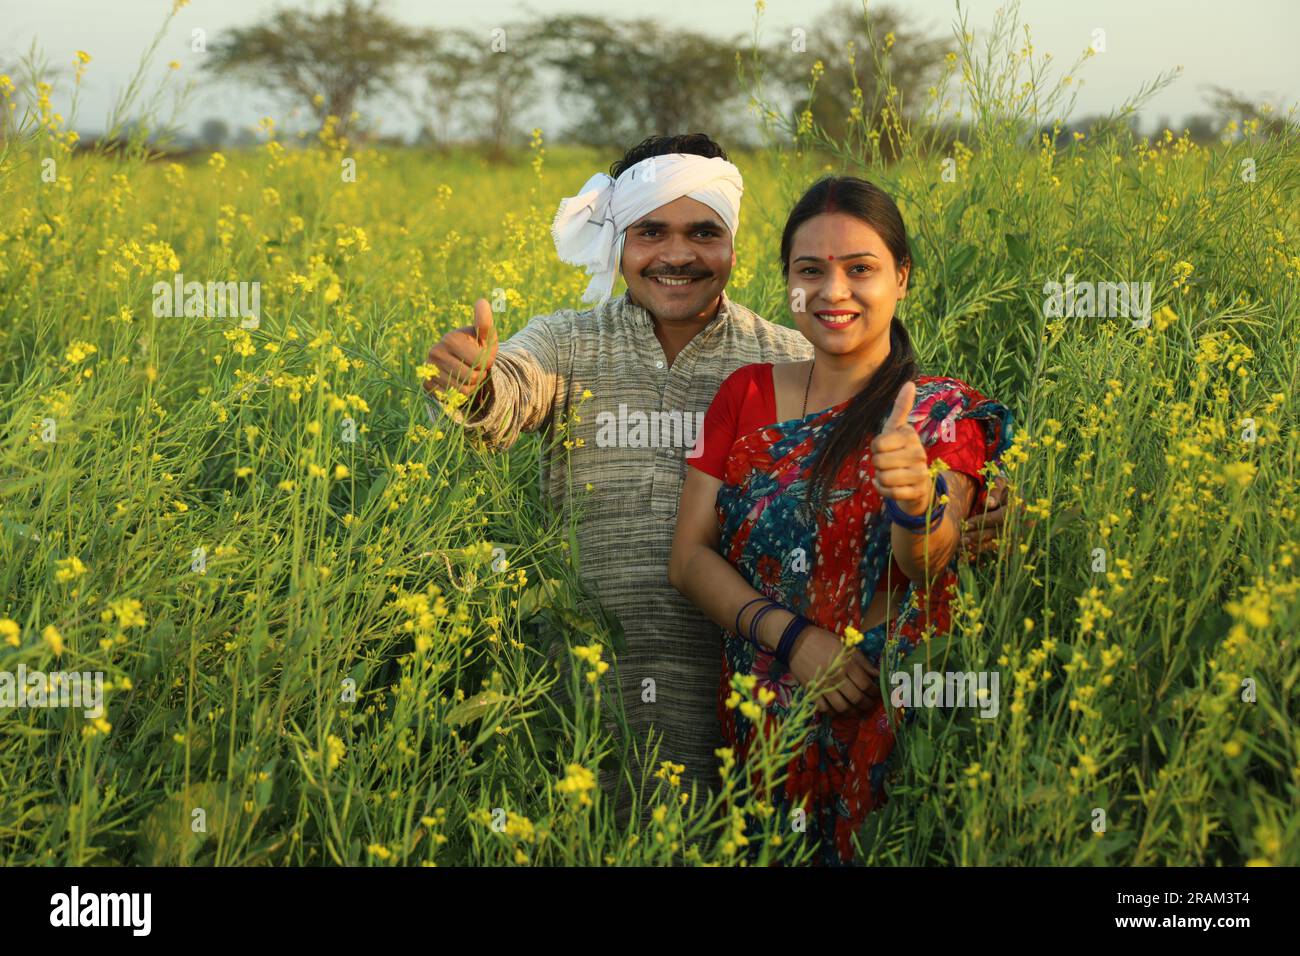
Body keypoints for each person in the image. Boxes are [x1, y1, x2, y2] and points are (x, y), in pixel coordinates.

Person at [422, 135, 1012, 805]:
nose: (677, 254)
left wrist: (962, 511)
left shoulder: (787, 357)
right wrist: (473, 387)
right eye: (651, 232)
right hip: (582, 706)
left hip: (749, 721)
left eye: (703, 231)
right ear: (619, 240)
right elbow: (510, 390)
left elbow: (899, 456)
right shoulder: (567, 342)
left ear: (733, 243)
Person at [668, 175, 1015, 864]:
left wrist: (915, 504)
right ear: (787, 283)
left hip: (888, 730)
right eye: (810, 271)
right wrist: (794, 638)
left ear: (902, 278)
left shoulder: (940, 412)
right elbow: (688, 559)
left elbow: (929, 560)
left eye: (861, 269)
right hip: (763, 737)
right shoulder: (746, 395)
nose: (834, 292)